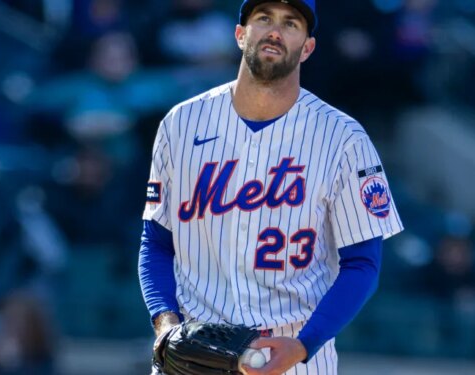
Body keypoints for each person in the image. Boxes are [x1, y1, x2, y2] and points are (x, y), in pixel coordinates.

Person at [137, 1, 403, 374]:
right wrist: (165, 327)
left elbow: (362, 263)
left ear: (307, 47)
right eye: (263, 18)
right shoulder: (180, 124)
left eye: (291, 23)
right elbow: (156, 242)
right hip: (193, 358)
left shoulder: (344, 139)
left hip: (294, 359)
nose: (275, 31)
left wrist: (303, 344)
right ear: (240, 34)